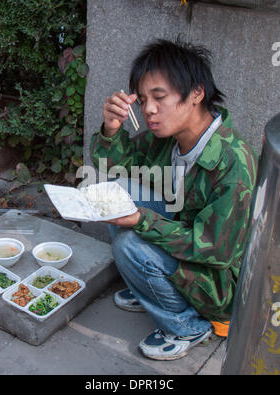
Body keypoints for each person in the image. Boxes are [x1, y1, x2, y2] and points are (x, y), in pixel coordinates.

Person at [90, 38, 257, 360]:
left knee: (129, 244)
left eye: (160, 97)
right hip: (184, 238)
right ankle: (152, 287)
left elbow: (215, 249)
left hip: (219, 280)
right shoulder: (165, 139)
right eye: (143, 100)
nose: (149, 109)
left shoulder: (233, 162)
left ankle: (188, 325)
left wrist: (142, 220)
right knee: (115, 192)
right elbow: (110, 166)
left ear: (196, 93)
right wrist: (111, 129)